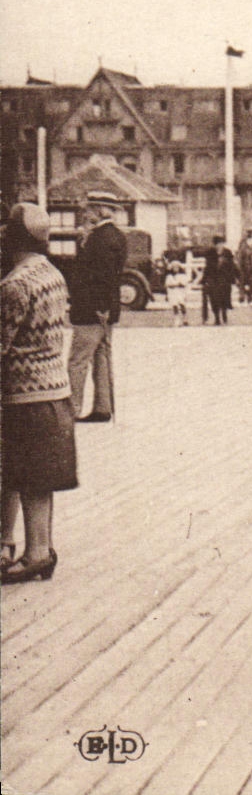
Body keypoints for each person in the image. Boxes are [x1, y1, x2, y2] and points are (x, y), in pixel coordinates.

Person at [1, 203, 77, 584]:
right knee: (37, 479)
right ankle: (40, 551)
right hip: (54, 391)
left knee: (24, 478)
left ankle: (32, 555)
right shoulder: (52, 274)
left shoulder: (15, 285)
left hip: (23, 395)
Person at [66, 189, 126, 424]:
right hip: (105, 309)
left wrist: (100, 307)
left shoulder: (100, 239)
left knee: (78, 360)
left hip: (92, 310)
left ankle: (71, 410)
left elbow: (102, 276)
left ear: (99, 211)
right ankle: (103, 408)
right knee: (101, 356)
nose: (85, 213)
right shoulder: (115, 236)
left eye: (89, 209)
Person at [201, 237, 237, 325]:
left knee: (224, 298)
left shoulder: (227, 253)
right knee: (214, 299)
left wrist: (234, 278)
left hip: (225, 279)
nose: (219, 246)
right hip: (214, 279)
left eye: (221, 243)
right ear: (214, 245)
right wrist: (204, 279)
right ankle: (217, 317)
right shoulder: (210, 253)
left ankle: (224, 314)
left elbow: (232, 266)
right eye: (217, 244)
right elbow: (207, 267)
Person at [166, 260, 189, 326]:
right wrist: (176, 284)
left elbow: (183, 284)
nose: (175, 269)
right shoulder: (169, 276)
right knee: (175, 306)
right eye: (174, 267)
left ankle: (185, 319)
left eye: (177, 267)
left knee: (182, 305)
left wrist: (175, 285)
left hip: (180, 293)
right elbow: (168, 284)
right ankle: (177, 320)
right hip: (173, 293)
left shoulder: (182, 276)